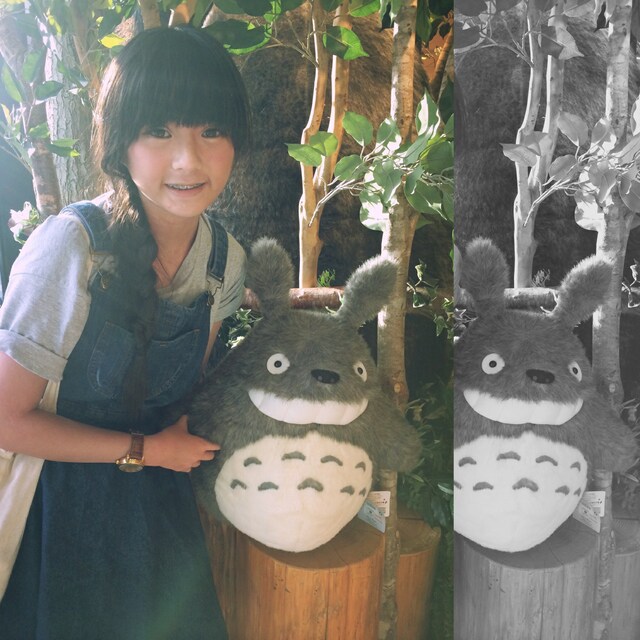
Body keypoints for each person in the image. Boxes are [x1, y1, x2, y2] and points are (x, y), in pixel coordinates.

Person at [0, 25, 251, 639]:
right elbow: (6, 420)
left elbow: (186, 395)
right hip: (54, 515)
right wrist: (146, 451)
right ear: (120, 144)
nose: (188, 159)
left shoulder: (223, 261)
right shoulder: (72, 248)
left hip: (158, 513)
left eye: (211, 130)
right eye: (159, 131)